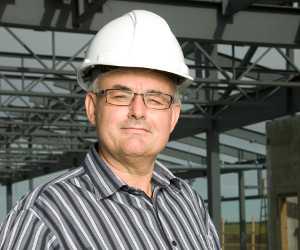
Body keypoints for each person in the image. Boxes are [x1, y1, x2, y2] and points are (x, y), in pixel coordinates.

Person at [0, 10, 220, 249]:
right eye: (120, 95)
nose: (138, 110)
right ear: (92, 107)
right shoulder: (42, 217)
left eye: (155, 99)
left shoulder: (188, 203)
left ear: (173, 116)